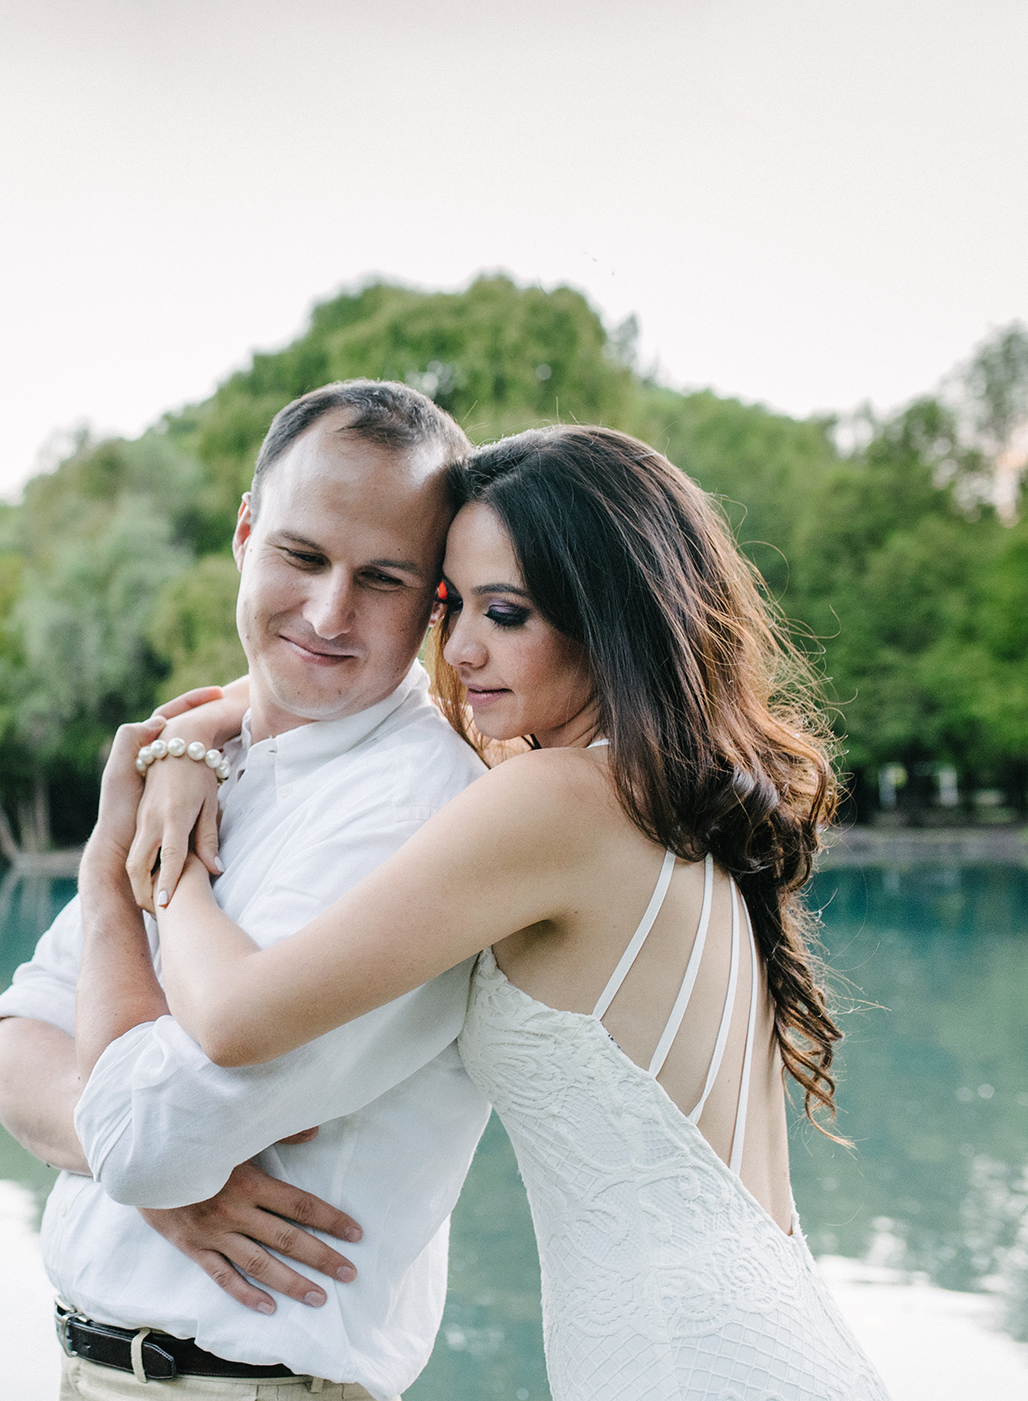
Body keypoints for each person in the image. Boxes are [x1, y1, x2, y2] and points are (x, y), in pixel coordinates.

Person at [86, 425, 893, 1400]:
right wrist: (200, 743)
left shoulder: (554, 805)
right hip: (765, 1345)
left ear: (610, 617)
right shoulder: (653, 802)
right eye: (448, 605)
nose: (461, 649)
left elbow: (231, 1015)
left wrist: (143, 859)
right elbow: (296, 707)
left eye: (504, 612)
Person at [0, 380, 496, 1399]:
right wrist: (140, 1167)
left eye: (381, 579)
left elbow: (152, 1141)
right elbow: (7, 1050)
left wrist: (106, 872)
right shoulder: (213, 755)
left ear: (435, 600)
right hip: (92, 1371)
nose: (328, 612)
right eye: (301, 556)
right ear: (245, 534)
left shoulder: (416, 805)